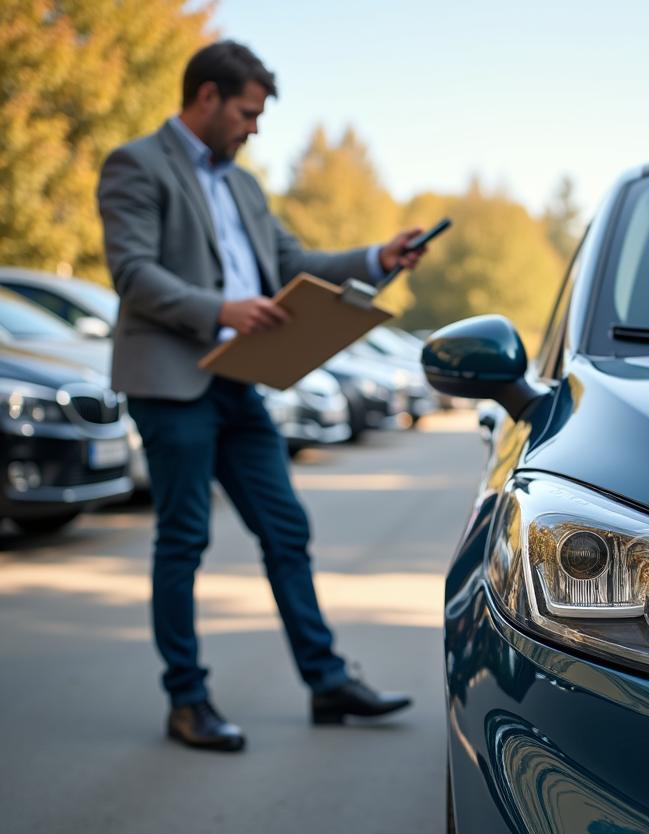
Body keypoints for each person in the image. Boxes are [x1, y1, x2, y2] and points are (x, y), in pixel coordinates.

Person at [98, 40, 421, 752]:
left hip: (239, 385)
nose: (254, 129)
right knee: (184, 538)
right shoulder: (136, 164)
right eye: (247, 113)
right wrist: (222, 308)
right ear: (207, 97)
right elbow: (133, 273)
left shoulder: (244, 186)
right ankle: (187, 701)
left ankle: (327, 680)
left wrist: (376, 258)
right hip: (171, 382)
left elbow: (291, 264)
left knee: (287, 528)